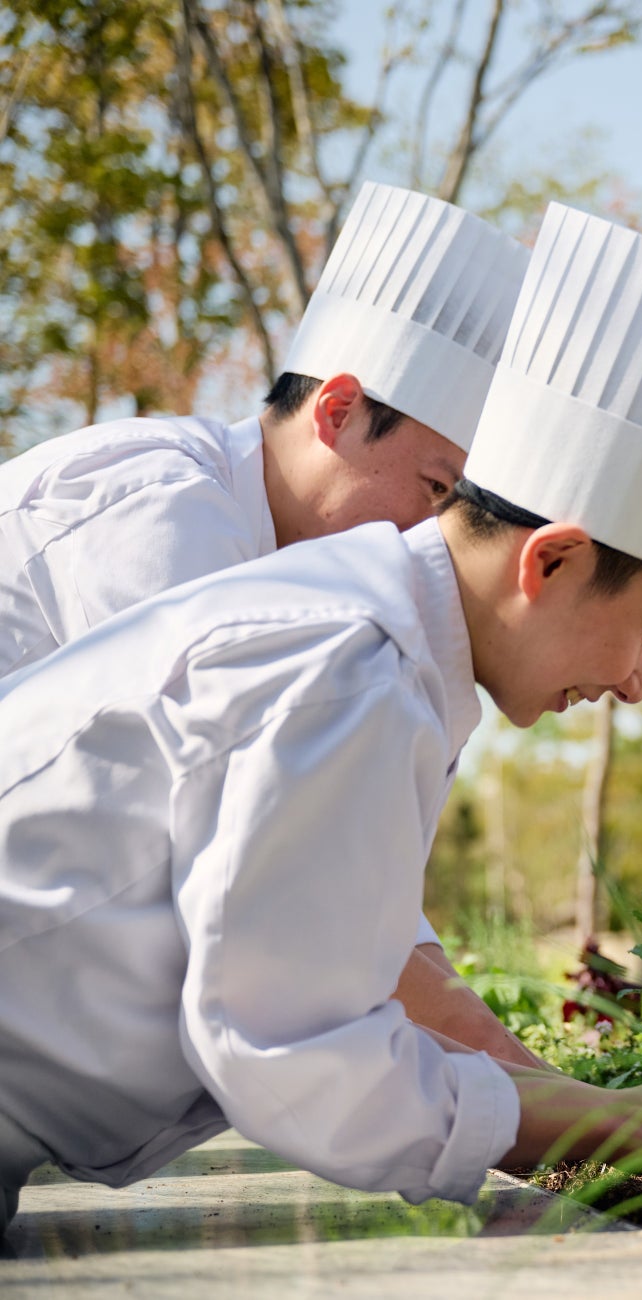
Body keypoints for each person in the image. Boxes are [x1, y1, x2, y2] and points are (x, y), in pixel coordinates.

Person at [0, 202, 642, 1232]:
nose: (639, 685)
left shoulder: (372, 637)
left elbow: (331, 971)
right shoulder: (350, 665)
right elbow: (296, 1054)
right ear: (551, 559)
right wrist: (621, 1125)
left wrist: (592, 1108)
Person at [0, 182, 540, 1067]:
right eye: (436, 490)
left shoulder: (313, 603)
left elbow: (350, 879)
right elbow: (285, 853)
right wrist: (547, 1097)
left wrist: (527, 1081)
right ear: (336, 411)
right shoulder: (160, 509)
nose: (435, 536)